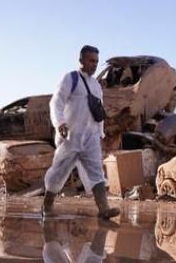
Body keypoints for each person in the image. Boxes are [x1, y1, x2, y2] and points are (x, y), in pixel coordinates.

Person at [42, 45, 120, 219]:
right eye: (91, 61)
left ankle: (103, 209)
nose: (94, 65)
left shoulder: (96, 86)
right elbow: (56, 103)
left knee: (96, 172)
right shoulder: (71, 79)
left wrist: (100, 135)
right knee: (59, 172)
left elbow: (98, 112)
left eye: (96, 62)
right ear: (81, 60)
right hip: (70, 136)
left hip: (90, 137)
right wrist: (60, 122)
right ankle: (47, 205)